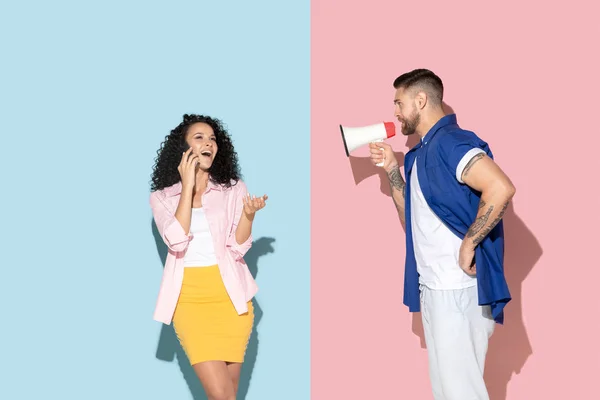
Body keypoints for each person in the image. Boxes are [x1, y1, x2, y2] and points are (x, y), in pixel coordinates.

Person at [369, 69, 515, 400]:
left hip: (459, 289)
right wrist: (393, 169)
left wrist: (469, 242)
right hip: (434, 288)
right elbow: (413, 223)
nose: (394, 111)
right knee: (449, 393)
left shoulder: (452, 142)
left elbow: (500, 187)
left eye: (398, 102)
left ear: (420, 100)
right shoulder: (421, 153)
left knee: (462, 393)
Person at [149, 114, 267, 400]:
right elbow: (176, 241)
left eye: (212, 138)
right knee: (222, 396)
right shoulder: (162, 197)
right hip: (190, 302)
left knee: (228, 396)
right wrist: (187, 186)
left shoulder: (233, 189)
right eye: (199, 137)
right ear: (183, 148)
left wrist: (248, 217)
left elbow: (237, 248)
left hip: (231, 301)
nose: (208, 143)